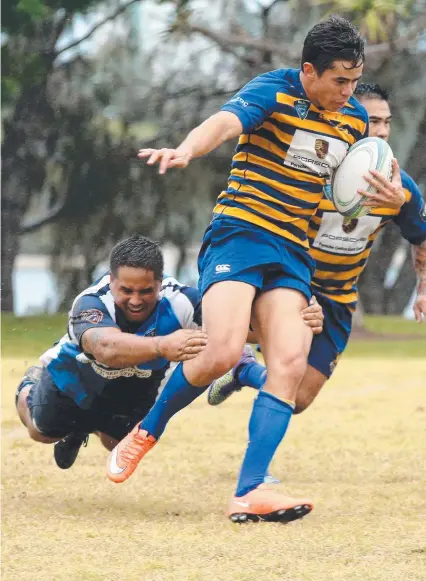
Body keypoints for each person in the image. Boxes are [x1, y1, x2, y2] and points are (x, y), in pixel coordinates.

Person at [107, 16, 368, 523]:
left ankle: (249, 491)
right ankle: (146, 431)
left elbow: (343, 194)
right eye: (339, 80)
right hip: (242, 234)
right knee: (223, 351)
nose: (348, 91)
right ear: (309, 70)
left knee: (289, 366)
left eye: (355, 81)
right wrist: (187, 148)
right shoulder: (273, 90)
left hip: (293, 251)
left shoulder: (354, 121)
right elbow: (225, 123)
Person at [207, 83, 426, 418]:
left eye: (387, 122)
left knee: (299, 400)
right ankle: (205, 317)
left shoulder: (400, 188)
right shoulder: (311, 176)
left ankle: (243, 370)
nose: (381, 131)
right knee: (252, 350)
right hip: (291, 282)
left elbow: (421, 236)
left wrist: (422, 286)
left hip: (337, 298)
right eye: (372, 121)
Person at [15, 235, 208, 469]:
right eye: (126, 290)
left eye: (146, 291)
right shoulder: (90, 301)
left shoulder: (183, 301)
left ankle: (87, 425)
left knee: (118, 445)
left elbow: (230, 333)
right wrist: (163, 346)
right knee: (41, 431)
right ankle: (28, 385)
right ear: (111, 281)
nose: (135, 300)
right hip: (75, 376)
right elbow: (106, 348)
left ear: (160, 283)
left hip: (136, 382)